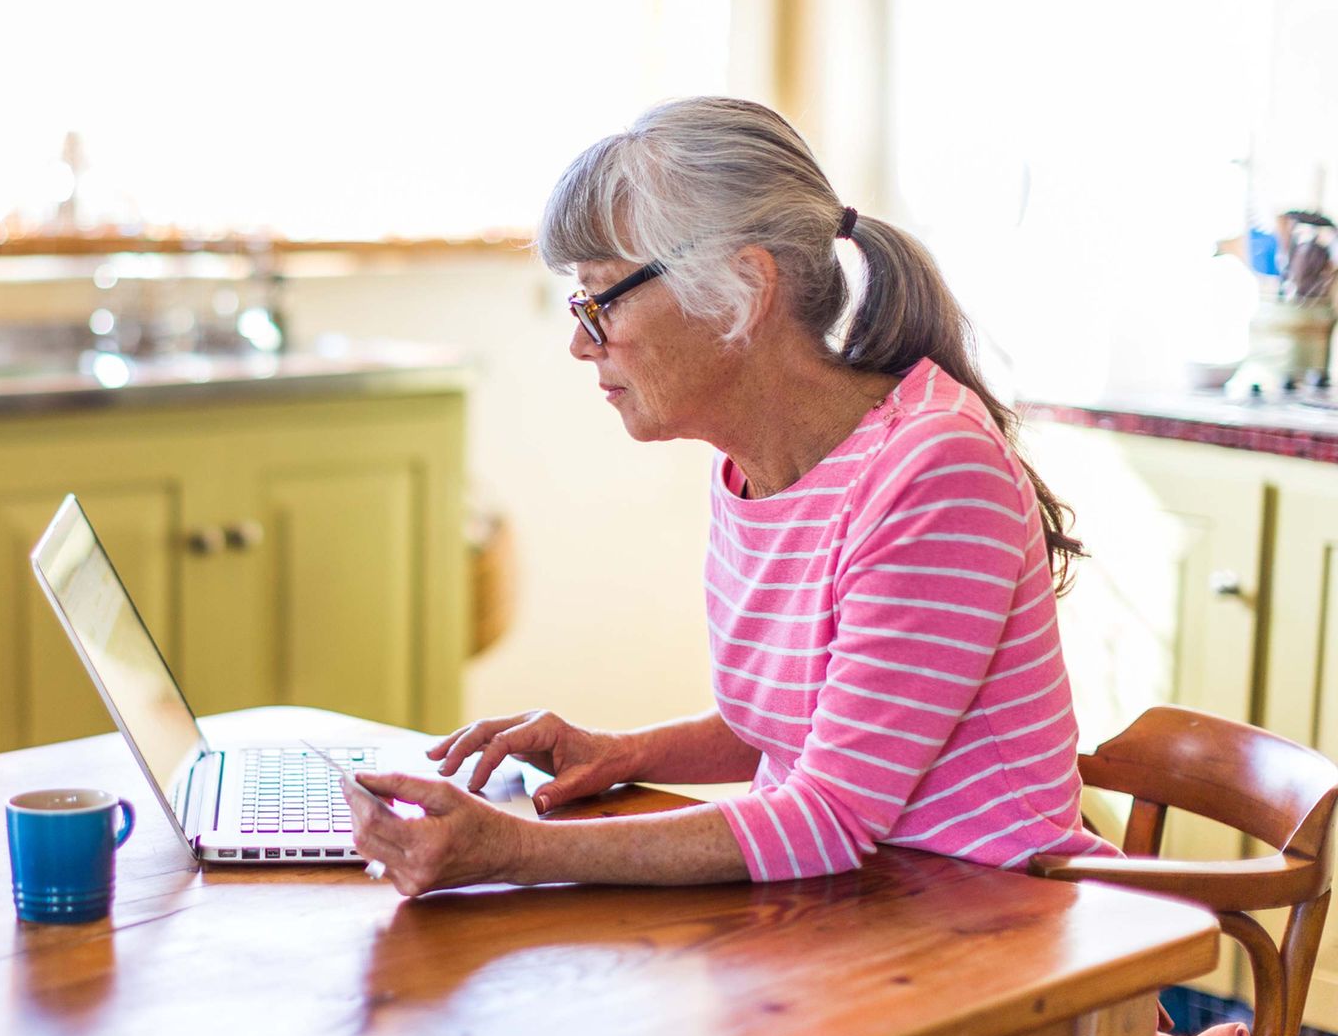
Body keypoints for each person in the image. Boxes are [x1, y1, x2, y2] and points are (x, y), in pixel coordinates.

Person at [344, 96, 1118, 897]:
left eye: (601, 298)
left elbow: (830, 817)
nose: (581, 341)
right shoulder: (751, 465)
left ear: (744, 289)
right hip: (860, 918)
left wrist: (510, 851)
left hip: (1006, 938)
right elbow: (807, 732)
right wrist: (622, 752)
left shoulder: (935, 469)